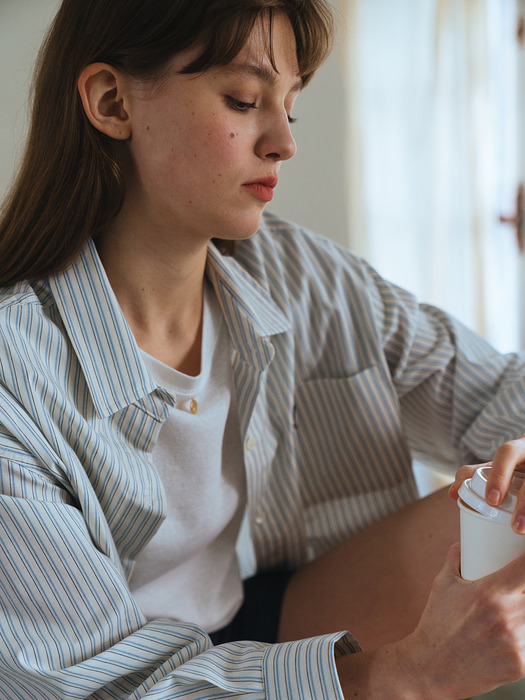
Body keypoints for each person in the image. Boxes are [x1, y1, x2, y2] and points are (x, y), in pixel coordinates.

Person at [2, 1, 525, 698]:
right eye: (243, 100)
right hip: (125, 671)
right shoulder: (16, 370)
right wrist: (403, 677)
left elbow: (496, 397)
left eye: (291, 108)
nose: (283, 142)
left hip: (266, 616)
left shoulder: (297, 271)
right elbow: (87, 685)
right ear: (110, 100)